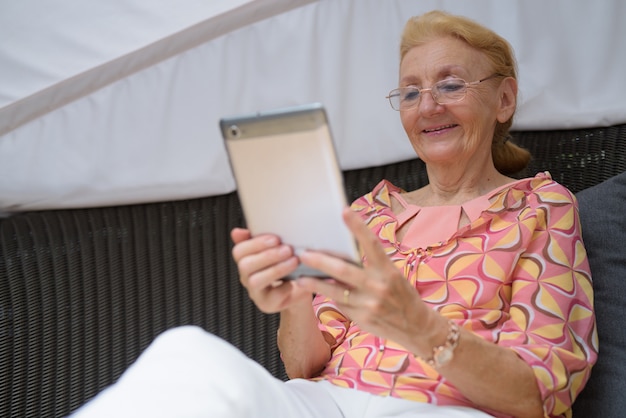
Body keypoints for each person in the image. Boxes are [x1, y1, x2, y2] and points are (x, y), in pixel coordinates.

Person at [70, 10, 597, 418]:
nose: (427, 105)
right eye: (410, 92)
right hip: (328, 402)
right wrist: (294, 295)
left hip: (443, 408)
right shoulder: (368, 214)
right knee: (185, 352)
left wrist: (416, 326)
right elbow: (302, 365)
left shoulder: (539, 208)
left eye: (451, 84)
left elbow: (537, 395)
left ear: (504, 99)